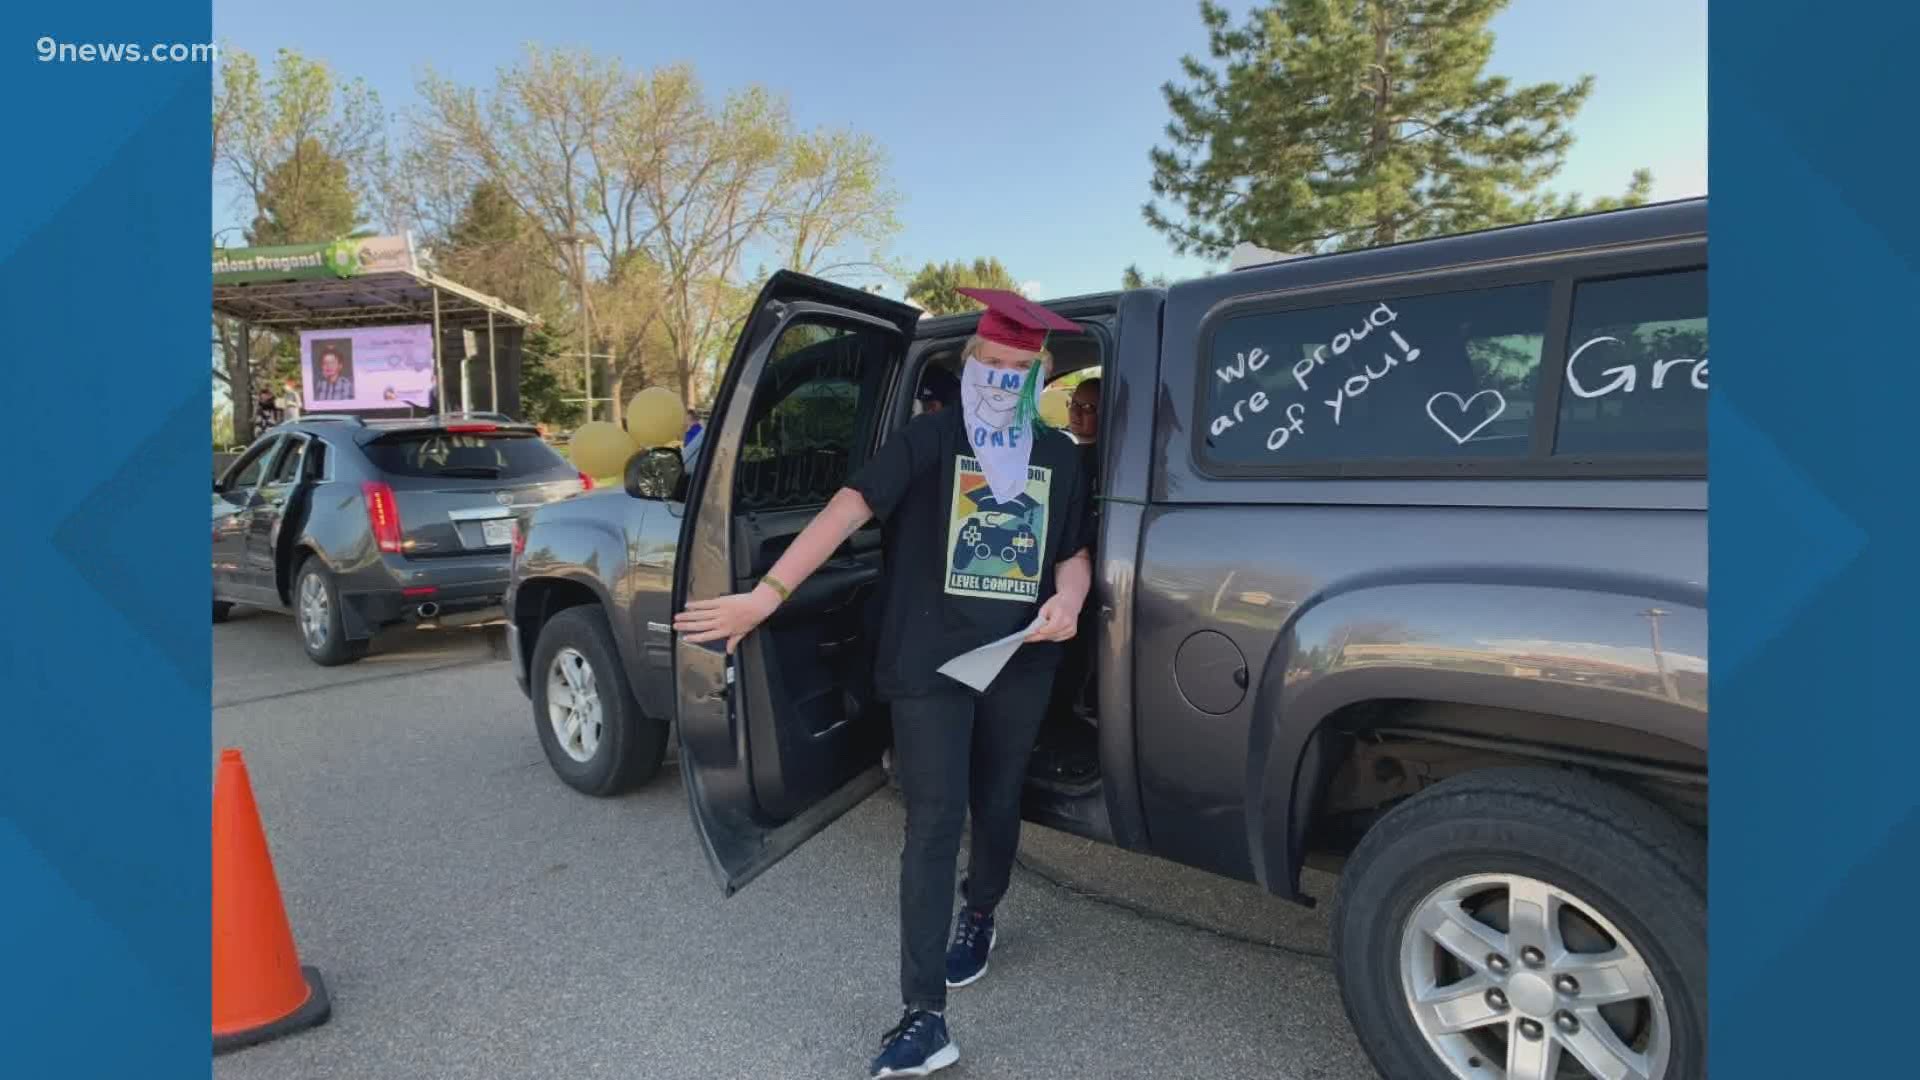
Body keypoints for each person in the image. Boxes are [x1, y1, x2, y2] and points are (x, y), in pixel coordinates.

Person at [673, 288, 1093, 1079]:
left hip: (1021, 656)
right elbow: (846, 507)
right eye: (991, 365)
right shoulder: (930, 440)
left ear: (1037, 377)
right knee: (934, 820)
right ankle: (924, 1016)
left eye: (1018, 371)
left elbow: (1072, 549)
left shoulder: (1059, 458)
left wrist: (1069, 598)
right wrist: (768, 595)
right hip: (930, 662)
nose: (1001, 381)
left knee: (999, 799)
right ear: (969, 365)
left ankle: (982, 912)